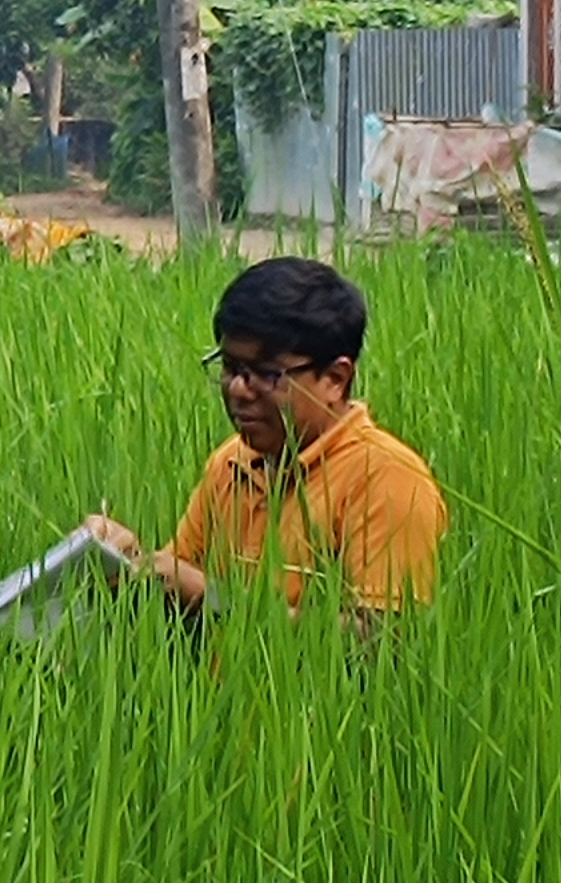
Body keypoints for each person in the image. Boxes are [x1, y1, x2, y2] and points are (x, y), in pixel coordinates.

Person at [81, 254, 447, 635]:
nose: (239, 388)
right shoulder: (232, 463)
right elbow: (179, 584)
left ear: (336, 378)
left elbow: (382, 641)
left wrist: (214, 598)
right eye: (230, 368)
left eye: (268, 375)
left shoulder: (387, 480)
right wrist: (127, 561)